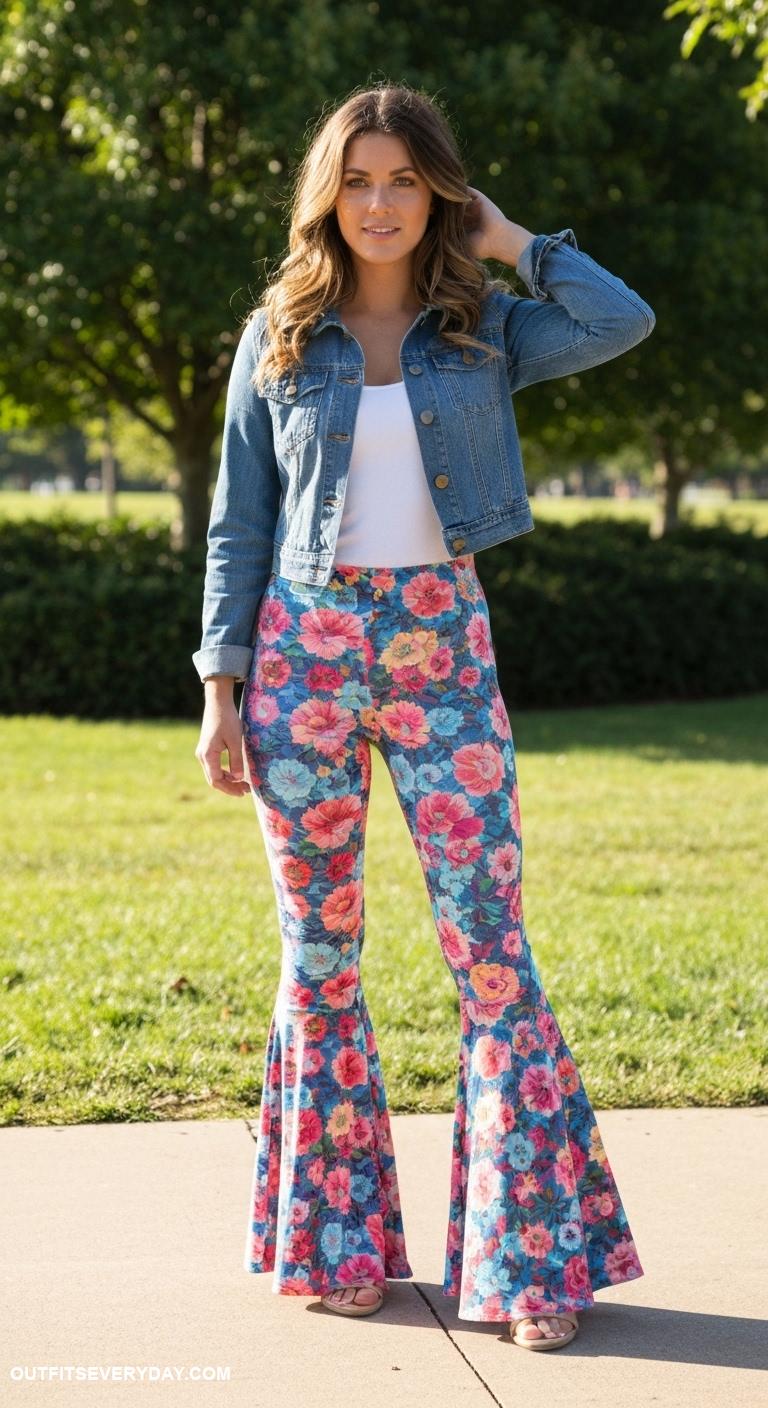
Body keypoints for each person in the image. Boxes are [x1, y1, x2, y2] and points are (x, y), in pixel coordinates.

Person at [193, 82, 655, 1351]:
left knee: (491, 948)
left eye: (405, 179)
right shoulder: (280, 335)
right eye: (358, 179)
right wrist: (221, 687)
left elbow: (621, 319)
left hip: (443, 649)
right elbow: (237, 522)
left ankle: (532, 1263)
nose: (381, 202)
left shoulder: (484, 327)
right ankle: (340, 1247)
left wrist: (511, 239)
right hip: (302, 656)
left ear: (439, 190)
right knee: (320, 955)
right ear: (326, 195)